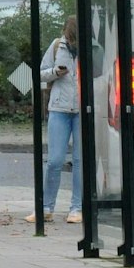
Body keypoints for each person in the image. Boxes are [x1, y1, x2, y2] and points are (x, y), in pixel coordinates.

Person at [30, 16, 84, 225]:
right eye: (69, 39)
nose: (71, 43)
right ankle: (46, 207)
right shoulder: (56, 46)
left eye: (74, 39)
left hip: (81, 109)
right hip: (59, 108)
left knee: (80, 161)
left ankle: (76, 207)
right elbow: (40, 73)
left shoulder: (90, 47)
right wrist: (55, 72)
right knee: (54, 160)